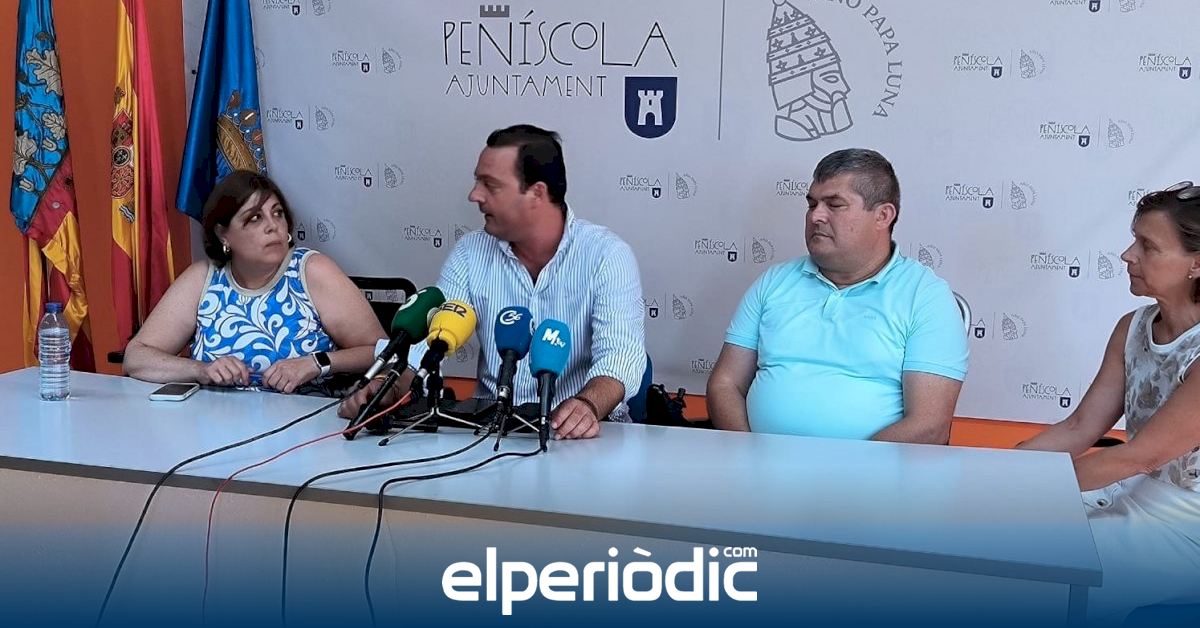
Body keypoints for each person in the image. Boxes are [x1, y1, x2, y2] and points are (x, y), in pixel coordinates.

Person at [339, 124, 646, 439]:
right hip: (487, 433)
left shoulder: (606, 255)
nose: (474, 195)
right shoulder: (470, 252)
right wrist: (387, 389)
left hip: (577, 439)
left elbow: (620, 358)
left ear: (537, 193)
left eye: (490, 185)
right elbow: (427, 348)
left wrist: (587, 405)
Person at [1018, 182, 1200, 625]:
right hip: (1134, 490)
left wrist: (1028, 489)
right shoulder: (1132, 326)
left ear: (1196, 264)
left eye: (1148, 246)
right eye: (1134, 239)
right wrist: (1003, 471)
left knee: (1051, 568)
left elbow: (1141, 456)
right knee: (1003, 533)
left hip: (1188, 523)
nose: (1127, 255)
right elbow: (1079, 427)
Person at [706, 148, 968, 442]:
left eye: (834, 205)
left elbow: (929, 426)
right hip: (760, 465)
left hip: (870, 471)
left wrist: (847, 469)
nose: (816, 216)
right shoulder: (774, 282)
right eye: (812, 204)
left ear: (882, 216)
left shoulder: (925, 296)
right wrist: (746, 453)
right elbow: (725, 384)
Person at [123, 170, 385, 395]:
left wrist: (318, 363)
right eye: (255, 218)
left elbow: (382, 351)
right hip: (213, 427)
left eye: (278, 213)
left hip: (305, 428)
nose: (273, 226)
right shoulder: (203, 278)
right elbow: (136, 358)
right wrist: (202, 370)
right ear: (223, 234)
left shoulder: (312, 271)